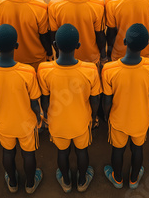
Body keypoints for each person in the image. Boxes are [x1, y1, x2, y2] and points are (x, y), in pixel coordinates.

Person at [0, 24, 43, 194]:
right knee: (28, 154)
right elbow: (35, 103)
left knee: (8, 152)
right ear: (16, 46)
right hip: (26, 124)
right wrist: (39, 118)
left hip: (3, 123)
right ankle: (30, 184)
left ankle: (12, 182)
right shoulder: (27, 72)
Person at [37, 24, 101, 193]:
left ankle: (66, 181)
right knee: (82, 152)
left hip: (57, 124)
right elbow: (95, 99)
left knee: (62, 153)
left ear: (55, 45)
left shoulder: (44, 69)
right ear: (78, 46)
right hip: (81, 122)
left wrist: (47, 118)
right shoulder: (90, 70)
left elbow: (45, 100)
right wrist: (94, 117)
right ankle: (81, 181)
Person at [102, 23, 149, 189]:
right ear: (145, 45)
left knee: (118, 150)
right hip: (141, 120)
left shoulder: (109, 69)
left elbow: (107, 100)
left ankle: (118, 178)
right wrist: (147, 112)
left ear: (125, 41)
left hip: (118, 120)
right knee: (137, 149)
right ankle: (134, 179)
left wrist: (107, 115)